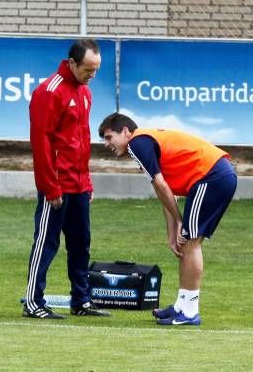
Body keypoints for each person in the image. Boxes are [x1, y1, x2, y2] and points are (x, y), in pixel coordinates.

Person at [98, 113, 237, 326]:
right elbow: (164, 191)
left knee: (190, 243)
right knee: (184, 242)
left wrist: (179, 222)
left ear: (125, 131)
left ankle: (190, 312)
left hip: (211, 176)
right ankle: (182, 305)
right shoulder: (142, 143)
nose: (106, 144)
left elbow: (161, 186)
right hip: (212, 175)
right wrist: (172, 233)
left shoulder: (137, 143)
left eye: (109, 137)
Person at [23, 39, 110, 319]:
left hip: (80, 184)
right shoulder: (49, 92)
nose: (92, 76)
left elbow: (81, 141)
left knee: (81, 243)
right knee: (46, 243)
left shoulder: (85, 93)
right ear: (72, 63)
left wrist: (88, 182)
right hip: (57, 186)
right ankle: (33, 302)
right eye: (88, 69)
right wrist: (50, 186)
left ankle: (81, 301)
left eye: (96, 70)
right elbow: (42, 142)